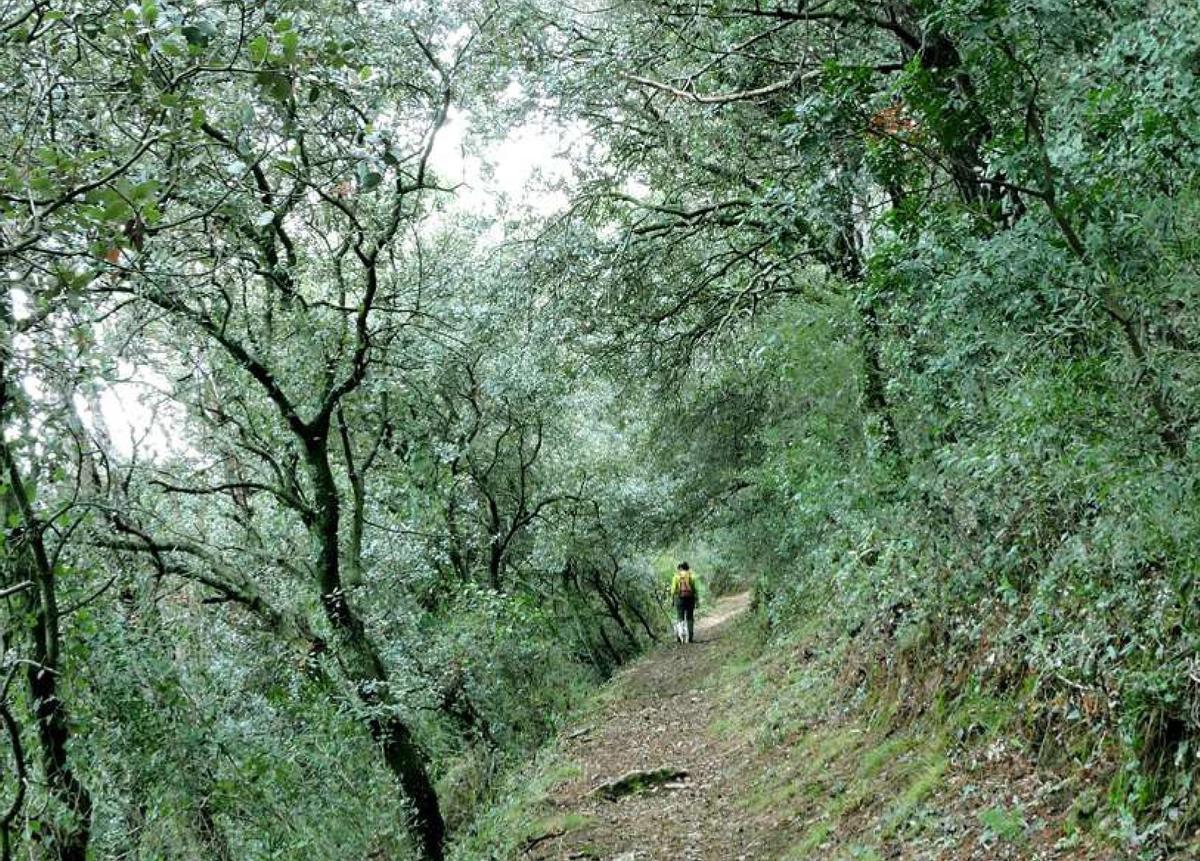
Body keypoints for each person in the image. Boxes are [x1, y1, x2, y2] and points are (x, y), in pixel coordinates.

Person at [670, 562, 698, 643]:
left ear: (680, 568)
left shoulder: (676, 576)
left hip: (679, 598)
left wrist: (672, 600)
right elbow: (694, 590)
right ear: (687, 568)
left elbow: (673, 590)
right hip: (690, 599)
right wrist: (696, 601)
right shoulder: (691, 576)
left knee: (680, 617)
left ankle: (681, 637)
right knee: (690, 617)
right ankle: (690, 637)